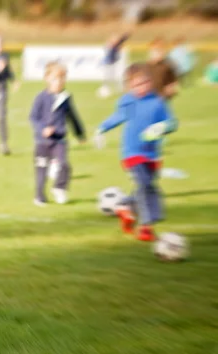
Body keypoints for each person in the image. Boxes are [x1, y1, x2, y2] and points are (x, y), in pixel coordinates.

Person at [93, 63, 178, 241]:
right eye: (137, 84)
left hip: (152, 154)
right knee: (146, 185)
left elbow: (172, 122)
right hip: (131, 153)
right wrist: (101, 129)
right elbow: (118, 117)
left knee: (145, 187)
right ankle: (146, 226)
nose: (142, 87)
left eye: (145, 82)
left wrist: (161, 127)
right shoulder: (127, 102)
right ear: (129, 85)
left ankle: (125, 207)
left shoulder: (157, 102)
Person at [29, 62, 85, 207]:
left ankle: (59, 188)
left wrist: (79, 133)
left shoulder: (65, 98)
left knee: (64, 165)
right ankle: (39, 196)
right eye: (55, 79)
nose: (59, 82)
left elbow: (73, 117)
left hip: (60, 139)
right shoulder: (41, 97)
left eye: (62, 79)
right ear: (47, 78)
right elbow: (33, 117)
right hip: (42, 141)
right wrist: (42, 129)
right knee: (41, 169)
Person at [98, 31, 130, 97]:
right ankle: (104, 90)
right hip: (108, 64)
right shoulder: (109, 45)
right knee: (108, 78)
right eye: (114, 39)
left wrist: (125, 36)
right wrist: (122, 39)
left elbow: (121, 41)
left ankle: (120, 89)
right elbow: (114, 46)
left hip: (114, 63)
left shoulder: (115, 45)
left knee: (118, 77)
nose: (115, 40)